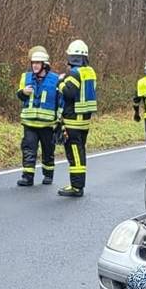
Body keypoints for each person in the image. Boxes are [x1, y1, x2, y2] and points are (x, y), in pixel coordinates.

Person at [56, 40, 98, 198]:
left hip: (73, 121)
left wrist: (60, 82)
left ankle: (76, 187)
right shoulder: (90, 72)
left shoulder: (74, 73)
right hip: (84, 121)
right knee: (79, 152)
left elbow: (69, 93)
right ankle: (77, 185)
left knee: (75, 154)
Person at [17, 46, 61, 186]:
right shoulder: (26, 77)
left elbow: (60, 101)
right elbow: (20, 95)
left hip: (47, 124)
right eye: (33, 63)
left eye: (38, 63)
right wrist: (23, 92)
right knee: (28, 150)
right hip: (29, 123)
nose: (35, 65)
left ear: (44, 65)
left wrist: (60, 121)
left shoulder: (56, 79)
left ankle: (48, 175)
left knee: (48, 151)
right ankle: (27, 177)